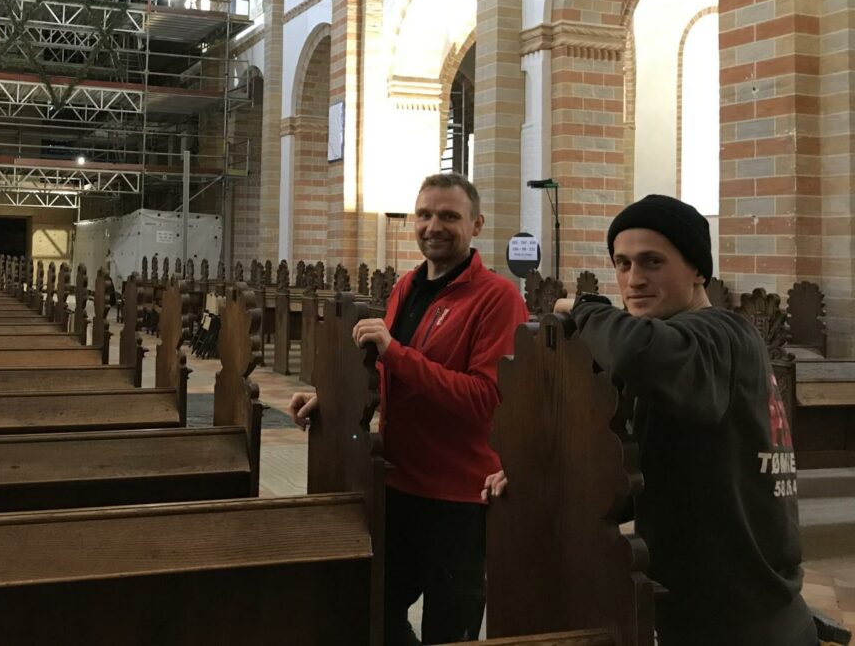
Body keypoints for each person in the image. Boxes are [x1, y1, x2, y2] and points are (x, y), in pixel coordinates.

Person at [483, 194, 817, 646]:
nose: (634, 279)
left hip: (746, 618)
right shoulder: (680, 361)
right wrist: (539, 477)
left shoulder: (721, 333)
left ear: (698, 270)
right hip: (700, 611)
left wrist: (584, 308)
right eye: (622, 264)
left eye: (652, 262)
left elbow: (633, 349)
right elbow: (640, 478)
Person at [290, 173, 528, 645]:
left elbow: (486, 400)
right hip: (398, 484)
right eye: (424, 214)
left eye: (448, 216)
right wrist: (336, 402)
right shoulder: (407, 286)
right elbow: (390, 375)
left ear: (476, 224)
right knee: (374, 611)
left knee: (448, 630)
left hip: (457, 499)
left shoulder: (497, 298)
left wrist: (396, 353)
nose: (433, 226)